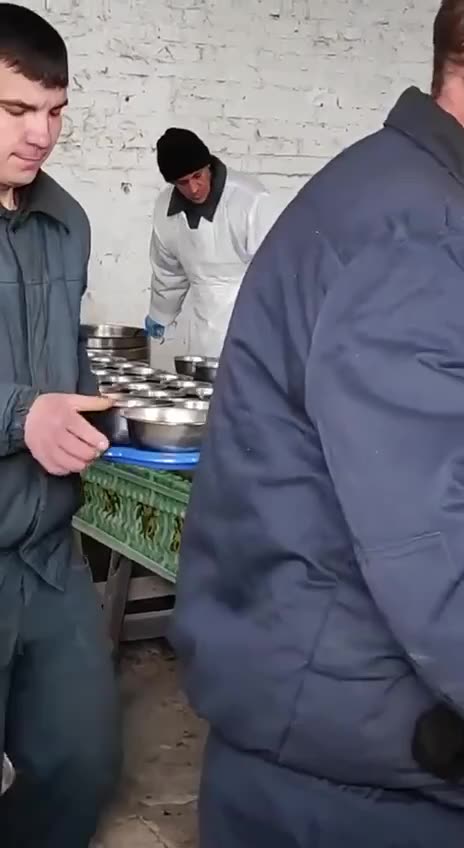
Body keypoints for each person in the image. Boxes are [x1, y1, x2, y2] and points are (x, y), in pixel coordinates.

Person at [171, 0, 464, 844]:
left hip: (325, 721)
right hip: (357, 774)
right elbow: (435, 544)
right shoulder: (420, 233)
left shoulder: (396, 189)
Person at [0, 5, 120, 846]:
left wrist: (97, 406)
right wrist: (21, 414)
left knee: (81, 762)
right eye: (15, 110)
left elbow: (60, 354)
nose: (41, 134)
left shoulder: (66, 220)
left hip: (46, 554)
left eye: (56, 110)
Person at [145, 127, 281, 357]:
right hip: (204, 328)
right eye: (182, 182)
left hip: (255, 323)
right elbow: (168, 273)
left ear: (208, 166)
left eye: (197, 176)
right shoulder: (165, 209)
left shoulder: (251, 201)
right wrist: (161, 315)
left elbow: (280, 270)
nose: (193, 189)